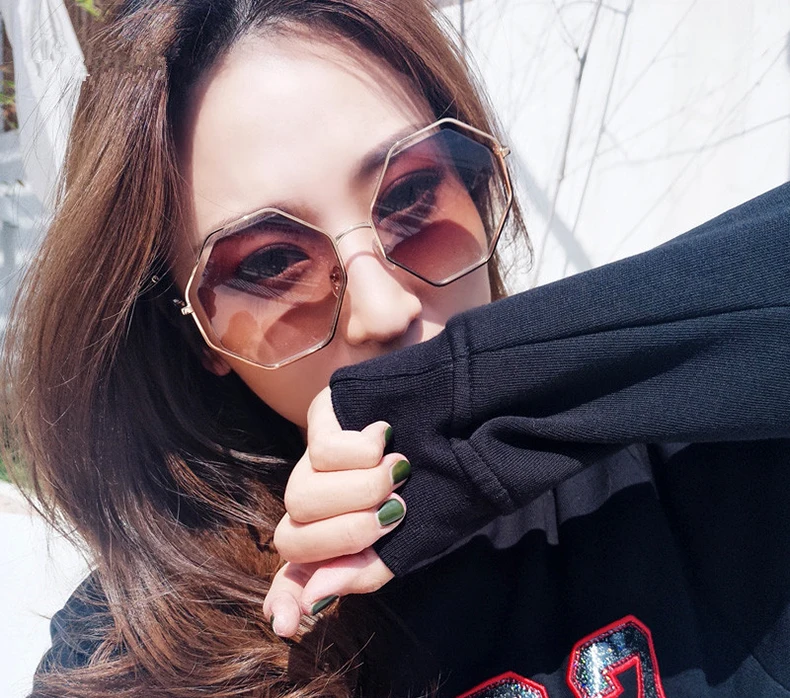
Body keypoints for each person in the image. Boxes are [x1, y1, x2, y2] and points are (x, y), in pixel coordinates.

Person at [5, 0, 789, 697]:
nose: (383, 309)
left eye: (412, 194)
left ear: (478, 187)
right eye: (271, 263)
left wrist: (500, 411)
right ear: (196, 334)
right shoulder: (134, 648)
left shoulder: (686, 464)